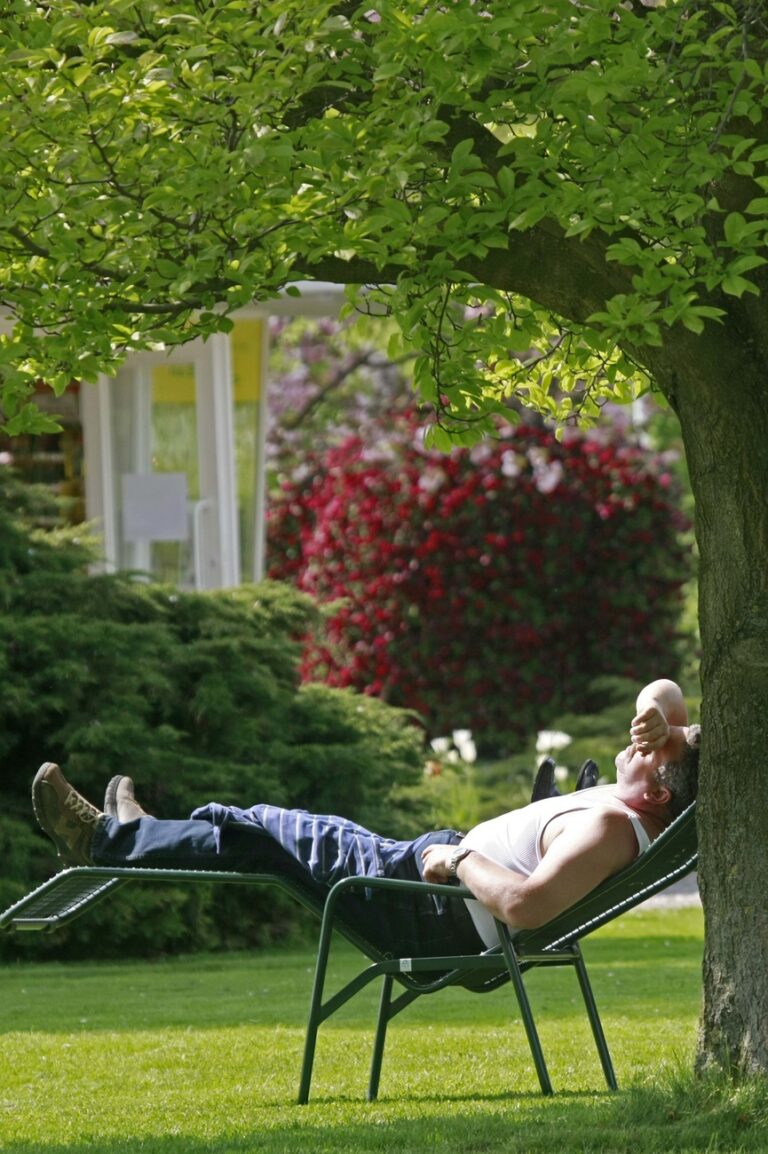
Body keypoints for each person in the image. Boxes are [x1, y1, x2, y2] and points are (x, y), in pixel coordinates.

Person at [32, 679, 699, 957]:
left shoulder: (610, 827)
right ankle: (138, 835)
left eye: (659, 741)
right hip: (422, 882)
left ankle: (109, 838)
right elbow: (665, 695)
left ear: (662, 791)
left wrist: (459, 859)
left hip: (426, 905)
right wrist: (660, 710)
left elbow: (525, 905)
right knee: (271, 827)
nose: (643, 734)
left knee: (269, 837)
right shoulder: (630, 811)